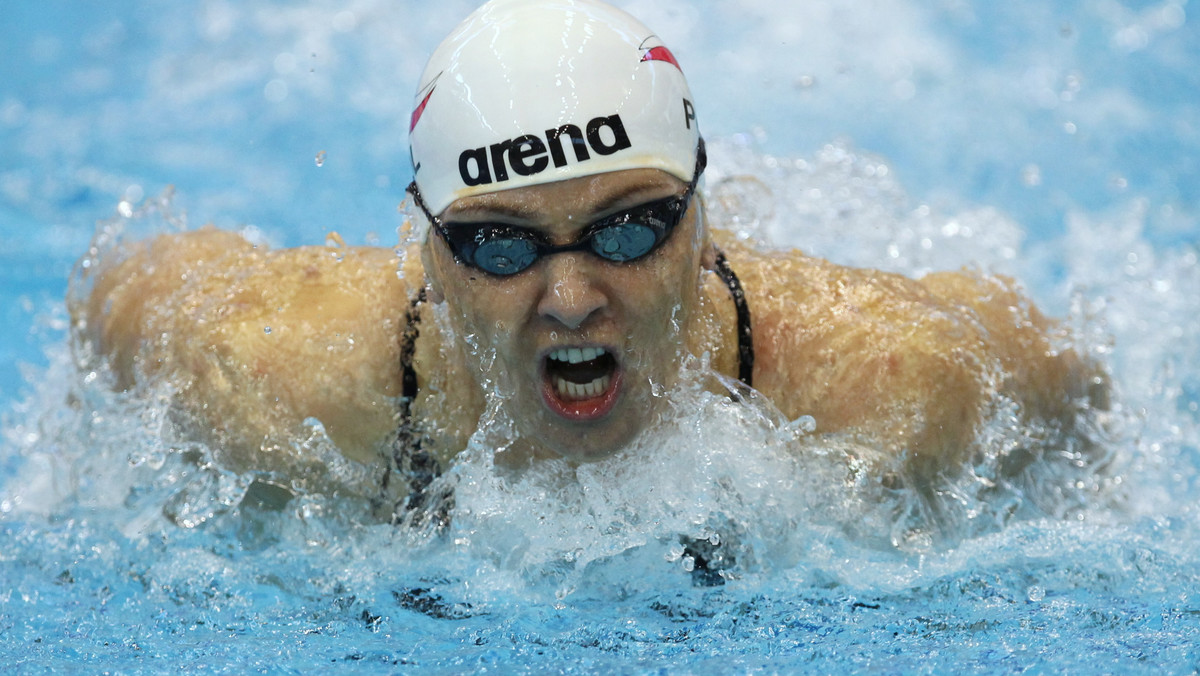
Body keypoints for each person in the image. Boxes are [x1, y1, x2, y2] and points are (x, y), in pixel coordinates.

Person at [70, 0, 1108, 519]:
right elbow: (117, 294)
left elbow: (1075, 398)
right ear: (426, 252)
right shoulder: (280, 378)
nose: (569, 298)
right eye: (500, 243)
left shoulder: (881, 386)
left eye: (628, 228)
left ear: (702, 229)